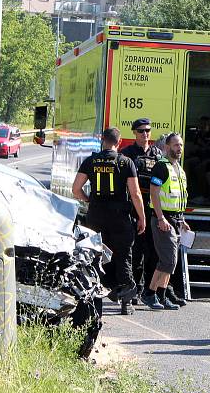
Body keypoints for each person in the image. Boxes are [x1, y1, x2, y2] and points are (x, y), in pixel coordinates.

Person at [72, 127, 146, 315]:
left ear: (102, 140)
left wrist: (89, 200)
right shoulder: (125, 162)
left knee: (96, 257)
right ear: (119, 142)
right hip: (120, 217)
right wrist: (142, 217)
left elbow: (76, 189)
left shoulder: (91, 161)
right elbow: (136, 194)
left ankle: (95, 303)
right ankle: (126, 302)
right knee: (123, 257)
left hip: (96, 216)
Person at [119, 119, 178, 305]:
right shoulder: (127, 155)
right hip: (134, 209)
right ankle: (134, 290)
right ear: (134, 133)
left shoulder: (158, 154)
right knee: (135, 252)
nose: (145, 134)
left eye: (148, 131)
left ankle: (153, 292)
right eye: (141, 131)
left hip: (153, 209)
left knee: (154, 252)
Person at [143, 132, 190, 311]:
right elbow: (154, 193)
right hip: (163, 219)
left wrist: (182, 220)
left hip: (175, 220)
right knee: (168, 260)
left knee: (171, 261)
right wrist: (161, 217)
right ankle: (149, 293)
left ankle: (161, 296)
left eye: (181, 145)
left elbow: (179, 197)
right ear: (168, 147)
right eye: (176, 145)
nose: (179, 149)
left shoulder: (178, 169)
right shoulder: (161, 167)